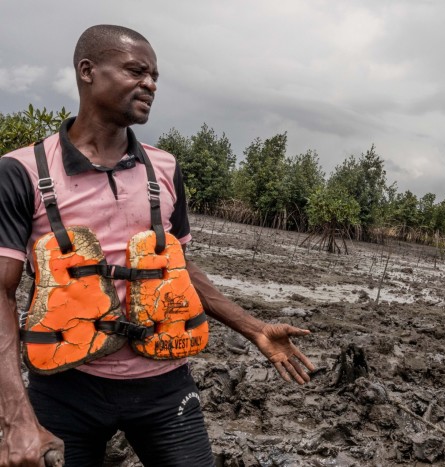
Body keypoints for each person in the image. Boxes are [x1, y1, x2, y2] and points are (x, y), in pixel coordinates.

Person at [0, 25, 314, 466]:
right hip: (65, 387)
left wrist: (254, 327)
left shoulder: (164, 168)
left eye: (155, 76)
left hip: (165, 386)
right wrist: (15, 420)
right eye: (136, 70)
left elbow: (179, 265)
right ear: (87, 71)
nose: (150, 84)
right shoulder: (22, 171)